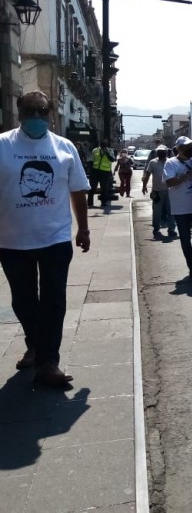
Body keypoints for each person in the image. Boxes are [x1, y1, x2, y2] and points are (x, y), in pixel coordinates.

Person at [0, 91, 91, 388]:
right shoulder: (3, 146)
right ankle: (35, 345)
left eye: (42, 111)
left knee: (54, 301)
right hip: (12, 242)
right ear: (19, 113)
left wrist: (84, 228)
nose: (36, 117)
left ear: (51, 114)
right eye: (30, 111)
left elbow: (78, 190)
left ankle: (48, 361)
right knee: (23, 302)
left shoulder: (64, 147)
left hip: (55, 239)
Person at [164, 136, 192, 278]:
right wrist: (186, 176)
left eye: (190, 146)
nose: (189, 149)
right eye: (185, 147)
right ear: (178, 149)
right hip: (181, 208)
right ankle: (191, 266)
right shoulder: (171, 163)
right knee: (185, 237)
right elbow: (169, 182)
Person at [142, 144, 177, 239]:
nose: (161, 153)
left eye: (162, 152)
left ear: (166, 153)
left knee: (171, 212)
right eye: (159, 152)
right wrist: (144, 186)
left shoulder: (171, 162)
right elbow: (147, 174)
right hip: (157, 192)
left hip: (170, 191)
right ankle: (156, 229)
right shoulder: (153, 162)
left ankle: (171, 229)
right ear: (157, 153)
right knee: (157, 212)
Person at [87, 139, 114, 207]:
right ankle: (90, 202)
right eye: (102, 147)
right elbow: (90, 160)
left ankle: (103, 202)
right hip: (95, 171)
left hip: (105, 172)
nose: (103, 148)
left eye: (105, 146)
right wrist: (90, 170)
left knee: (104, 188)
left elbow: (112, 159)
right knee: (92, 187)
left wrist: (107, 152)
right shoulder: (95, 150)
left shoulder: (110, 150)